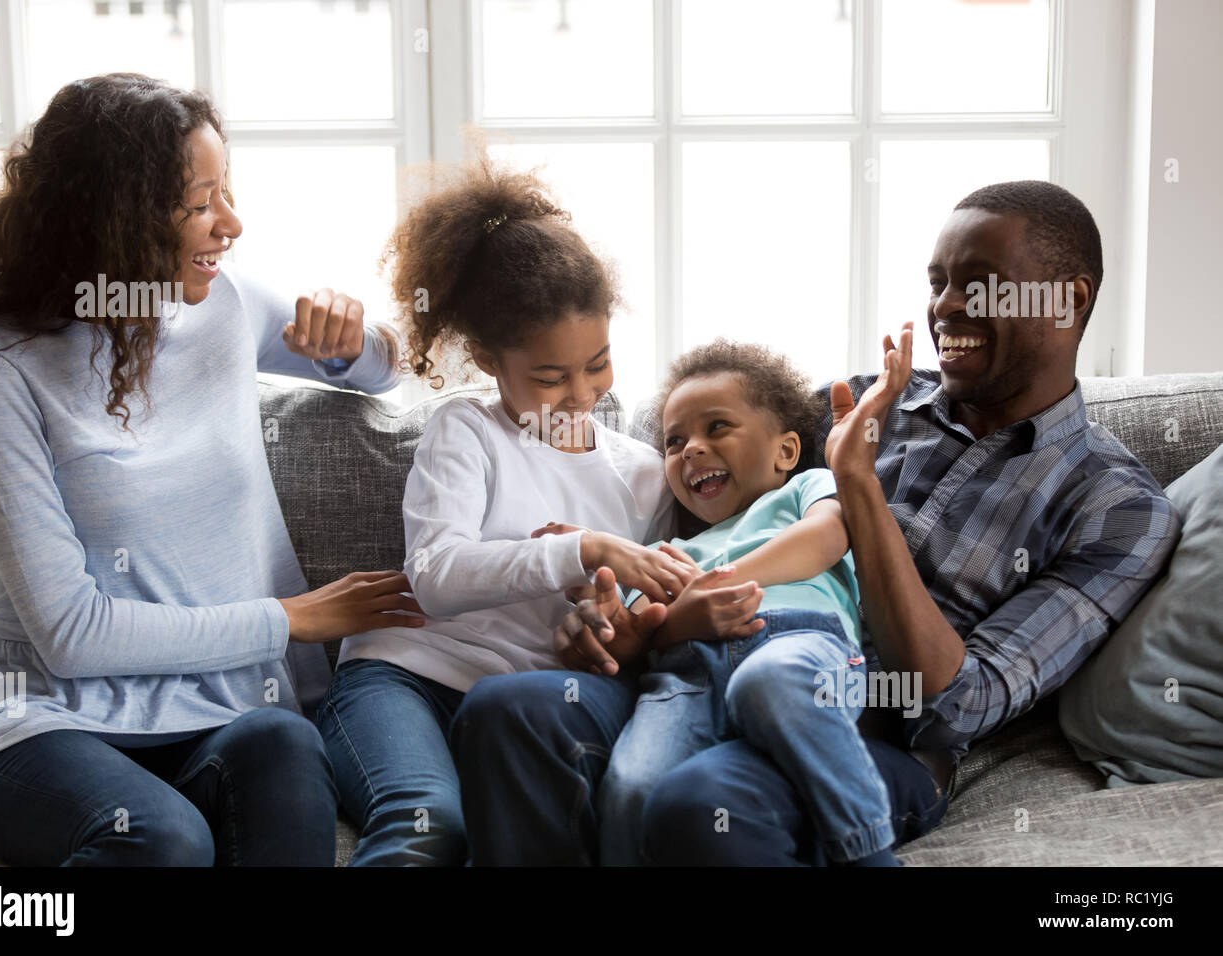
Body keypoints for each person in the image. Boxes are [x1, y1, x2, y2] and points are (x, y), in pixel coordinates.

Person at [450, 180, 1181, 865]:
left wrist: (857, 485)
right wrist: (604, 609)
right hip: (709, 667)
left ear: (1067, 300)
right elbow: (719, 496)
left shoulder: (1116, 507)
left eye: (977, 282)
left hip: (873, 728)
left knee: (703, 804)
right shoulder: (863, 397)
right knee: (510, 709)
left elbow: (956, 702)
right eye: (937, 283)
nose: (947, 307)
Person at [0, 73, 417, 866]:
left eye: (227, 192)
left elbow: (388, 372)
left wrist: (352, 335)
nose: (232, 223)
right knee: (163, 840)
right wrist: (292, 619)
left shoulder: (220, 306)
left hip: (219, 708)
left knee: (286, 749)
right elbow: (71, 638)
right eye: (200, 203)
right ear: (114, 217)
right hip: (40, 718)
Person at [316, 157, 692, 865]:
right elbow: (436, 575)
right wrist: (583, 549)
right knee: (426, 827)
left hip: (521, 709)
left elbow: (627, 628)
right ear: (489, 359)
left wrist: (599, 618)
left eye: (599, 363)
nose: (582, 395)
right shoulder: (466, 430)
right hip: (403, 679)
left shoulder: (646, 477)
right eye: (550, 377)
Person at [578, 338, 908, 866]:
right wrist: (600, 608)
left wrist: (712, 584)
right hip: (687, 676)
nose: (690, 449)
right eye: (673, 441)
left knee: (770, 682)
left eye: (716, 427)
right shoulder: (671, 550)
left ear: (786, 451)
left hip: (798, 642)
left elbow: (824, 541)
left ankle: (869, 855)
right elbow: (639, 629)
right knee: (632, 786)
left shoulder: (805, 489)